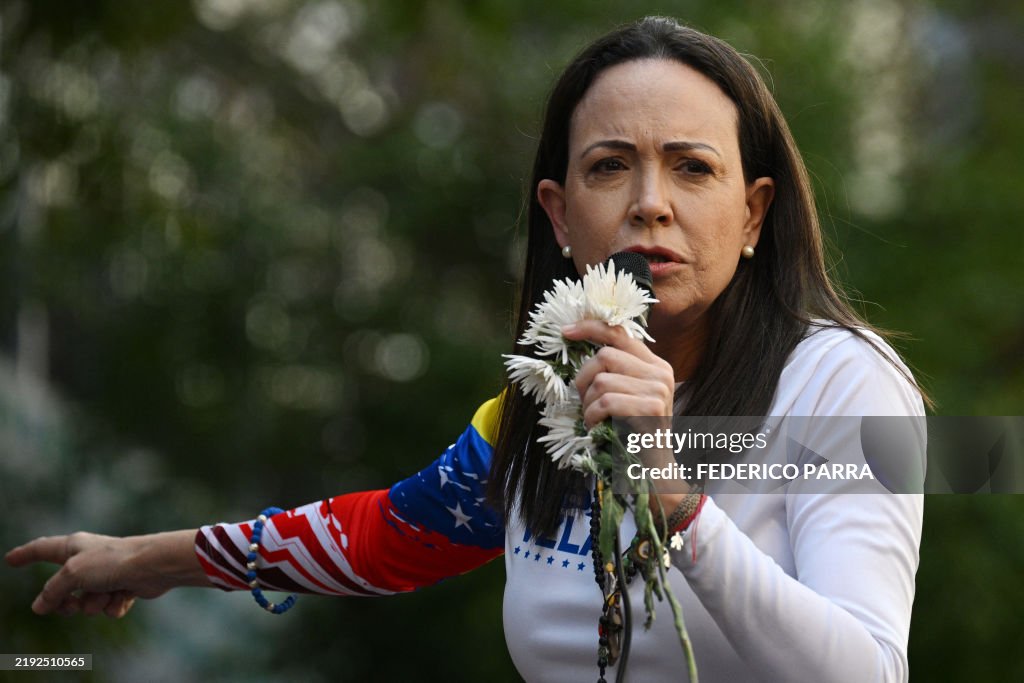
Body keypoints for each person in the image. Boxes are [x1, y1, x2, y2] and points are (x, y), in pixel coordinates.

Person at [6, 16, 926, 683]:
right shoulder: (549, 398)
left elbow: (868, 671)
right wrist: (144, 559)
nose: (651, 201)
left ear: (755, 212)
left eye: (693, 167)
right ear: (561, 216)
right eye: (610, 166)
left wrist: (678, 500)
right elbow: (386, 534)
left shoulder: (842, 383)